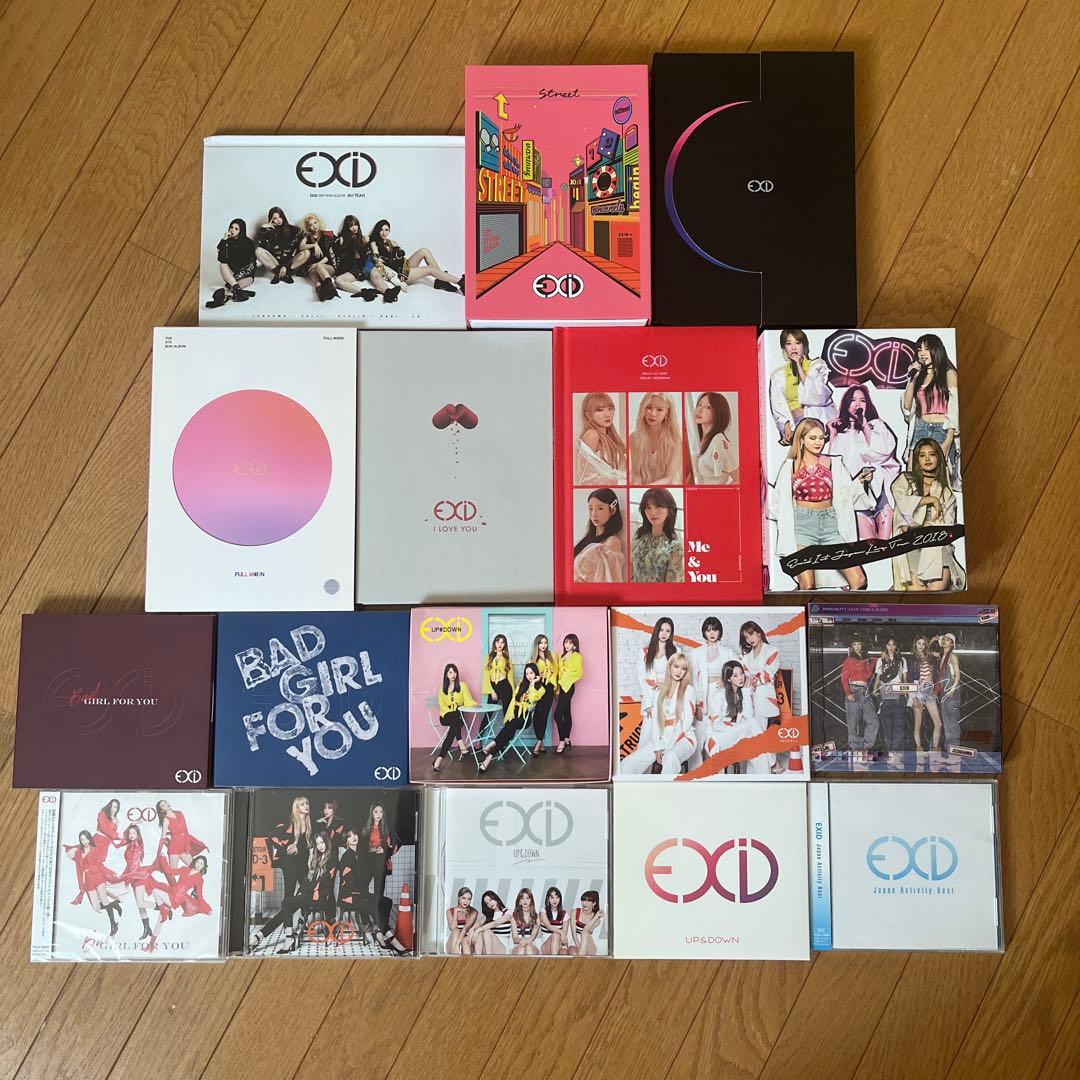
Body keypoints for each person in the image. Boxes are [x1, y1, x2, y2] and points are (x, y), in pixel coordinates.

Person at [768, 416, 867, 591]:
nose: (818, 442)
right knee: (807, 585)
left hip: (830, 525)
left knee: (858, 580)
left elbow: (846, 494)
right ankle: (797, 609)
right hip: (802, 527)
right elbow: (778, 502)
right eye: (812, 438)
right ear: (801, 440)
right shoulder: (790, 466)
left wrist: (861, 480)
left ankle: (847, 610)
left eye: (821, 438)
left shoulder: (833, 463)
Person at [891, 439, 966, 591]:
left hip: (936, 545)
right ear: (917, 460)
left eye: (931, 454)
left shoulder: (946, 491)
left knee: (936, 589)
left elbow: (947, 525)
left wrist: (927, 527)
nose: (927, 459)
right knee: (917, 592)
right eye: (922, 455)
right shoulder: (905, 480)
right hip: (910, 545)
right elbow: (903, 508)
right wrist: (930, 500)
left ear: (938, 457)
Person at [828, 385, 901, 540]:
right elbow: (835, 468)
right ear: (846, 404)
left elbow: (882, 451)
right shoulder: (841, 436)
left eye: (862, 400)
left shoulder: (876, 425)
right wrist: (833, 435)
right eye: (853, 400)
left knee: (886, 544)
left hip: (881, 495)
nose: (858, 404)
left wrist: (865, 425)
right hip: (857, 500)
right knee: (869, 546)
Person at [249, 831, 336, 955]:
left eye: (322, 842)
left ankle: (287, 938)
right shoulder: (317, 857)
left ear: (327, 842)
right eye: (317, 844)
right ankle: (259, 936)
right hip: (310, 895)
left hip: (321, 897)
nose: (320, 846)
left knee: (286, 903)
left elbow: (324, 881)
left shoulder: (332, 858)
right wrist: (301, 892)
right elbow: (309, 879)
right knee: (287, 906)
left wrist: (305, 892)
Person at [620, 652, 696, 774]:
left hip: (684, 738)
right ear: (669, 667)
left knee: (669, 757)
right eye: (676, 666)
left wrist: (667, 746)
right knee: (629, 763)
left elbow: (687, 722)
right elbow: (655, 722)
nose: (679, 671)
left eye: (683, 669)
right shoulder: (658, 691)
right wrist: (657, 747)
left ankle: (666, 787)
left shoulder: (689, 691)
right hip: (662, 737)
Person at [901, 333, 959, 483]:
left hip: (942, 430)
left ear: (936, 350)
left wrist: (948, 439)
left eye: (926, 348)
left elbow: (955, 410)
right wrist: (912, 379)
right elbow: (907, 408)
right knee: (914, 479)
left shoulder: (949, 374)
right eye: (919, 349)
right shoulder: (918, 377)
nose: (922, 353)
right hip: (920, 428)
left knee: (939, 482)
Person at [768, 328, 836, 444]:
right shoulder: (778, 376)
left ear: (804, 346)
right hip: (798, 427)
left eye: (798, 343)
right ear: (784, 349)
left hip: (821, 424)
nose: (793, 347)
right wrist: (786, 428)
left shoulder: (817, 366)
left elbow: (818, 395)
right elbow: (777, 406)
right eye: (789, 343)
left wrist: (799, 367)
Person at [701, 660, 768, 774]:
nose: (741, 678)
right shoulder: (720, 695)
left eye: (741, 673)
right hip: (720, 737)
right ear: (728, 679)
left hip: (736, 737)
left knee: (762, 755)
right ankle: (774, 762)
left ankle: (764, 781)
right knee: (753, 723)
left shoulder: (743, 692)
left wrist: (746, 691)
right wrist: (732, 727)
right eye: (735, 675)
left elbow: (748, 715)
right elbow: (716, 725)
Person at [368, 219, 464, 296]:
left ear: (389, 231)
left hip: (404, 267)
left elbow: (400, 257)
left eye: (386, 230)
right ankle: (460, 282)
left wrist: (397, 249)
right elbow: (377, 261)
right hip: (400, 274)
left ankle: (441, 280)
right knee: (431, 269)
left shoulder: (391, 242)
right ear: (377, 231)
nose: (384, 233)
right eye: (381, 230)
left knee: (424, 250)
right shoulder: (374, 243)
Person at [690, 617, 738, 769]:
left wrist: (727, 681)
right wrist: (697, 704)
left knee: (717, 733)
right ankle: (696, 772)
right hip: (702, 696)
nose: (711, 633)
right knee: (699, 736)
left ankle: (718, 772)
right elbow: (693, 680)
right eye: (708, 630)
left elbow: (739, 671)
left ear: (719, 631)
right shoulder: (696, 652)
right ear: (704, 632)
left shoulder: (727, 652)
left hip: (721, 695)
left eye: (715, 629)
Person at [479, 663, 545, 771]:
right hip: (514, 713)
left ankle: (493, 743)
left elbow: (533, 699)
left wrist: (533, 684)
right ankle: (489, 757)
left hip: (525, 717)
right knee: (509, 732)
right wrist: (511, 714)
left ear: (536, 673)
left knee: (511, 726)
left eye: (531, 673)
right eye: (527, 673)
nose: (529, 676)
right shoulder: (521, 685)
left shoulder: (541, 689)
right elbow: (513, 701)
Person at [740, 621, 786, 774]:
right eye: (746, 637)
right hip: (748, 698)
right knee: (752, 734)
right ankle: (772, 762)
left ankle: (765, 769)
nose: (750, 639)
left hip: (764, 698)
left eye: (751, 634)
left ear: (759, 633)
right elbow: (744, 676)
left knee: (758, 733)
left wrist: (753, 677)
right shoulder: (745, 656)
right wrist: (755, 676)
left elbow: (767, 675)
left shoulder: (772, 650)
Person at [65, 830, 122, 935]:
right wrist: (82, 887)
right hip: (88, 880)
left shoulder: (95, 849)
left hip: (97, 876)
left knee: (105, 901)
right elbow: (75, 864)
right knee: (96, 907)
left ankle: (113, 925)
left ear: (89, 838)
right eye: (82, 839)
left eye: (86, 839)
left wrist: (109, 873)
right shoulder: (78, 853)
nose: (85, 841)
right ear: (80, 841)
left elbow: (100, 864)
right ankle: (114, 904)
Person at [331, 214, 394, 301]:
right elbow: (342, 258)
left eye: (356, 225)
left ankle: (388, 293)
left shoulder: (364, 238)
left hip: (367, 264)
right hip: (355, 268)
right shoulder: (342, 239)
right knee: (338, 280)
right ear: (347, 228)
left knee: (377, 277)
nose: (354, 228)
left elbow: (367, 254)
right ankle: (365, 292)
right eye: (351, 226)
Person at [573, 488, 626, 582]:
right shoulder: (586, 540)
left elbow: (612, 580)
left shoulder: (611, 543)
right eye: (590, 509)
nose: (594, 514)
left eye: (600, 508)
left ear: (612, 510)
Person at [631, 487, 683, 583]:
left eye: (658, 507)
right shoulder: (639, 534)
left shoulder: (674, 546)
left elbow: (674, 585)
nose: (652, 513)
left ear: (669, 510)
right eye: (648, 508)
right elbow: (631, 569)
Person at [432, 663, 477, 772]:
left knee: (454, 727)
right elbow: (442, 706)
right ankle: (461, 743)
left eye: (455, 672)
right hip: (446, 716)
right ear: (446, 675)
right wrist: (451, 712)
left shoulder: (462, 685)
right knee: (455, 718)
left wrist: (474, 704)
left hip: (458, 716)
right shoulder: (442, 689)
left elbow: (468, 700)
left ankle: (438, 760)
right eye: (450, 672)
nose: (453, 675)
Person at [629, 392, 681, 485]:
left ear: (667, 414)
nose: (653, 414)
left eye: (659, 409)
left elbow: (668, 478)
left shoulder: (675, 440)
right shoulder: (634, 438)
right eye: (649, 407)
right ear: (643, 408)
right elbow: (637, 474)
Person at [270, 796, 311, 911]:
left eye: (307, 803)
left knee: (306, 890)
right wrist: (285, 849)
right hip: (289, 862)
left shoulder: (309, 824)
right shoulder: (289, 823)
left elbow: (309, 845)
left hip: (302, 862)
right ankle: (287, 921)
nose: (306, 806)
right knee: (289, 892)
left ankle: (303, 918)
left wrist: (298, 847)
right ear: (296, 808)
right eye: (302, 804)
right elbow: (272, 836)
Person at [575, 392, 626, 484]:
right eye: (600, 410)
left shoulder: (613, 439)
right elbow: (586, 478)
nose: (607, 414)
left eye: (610, 409)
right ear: (588, 415)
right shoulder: (592, 435)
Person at [205, 218, 256, 308]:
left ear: (241, 230)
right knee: (222, 264)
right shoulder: (226, 242)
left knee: (245, 282)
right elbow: (222, 259)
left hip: (245, 275)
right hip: (230, 274)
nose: (232, 230)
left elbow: (252, 264)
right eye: (231, 227)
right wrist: (224, 240)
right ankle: (239, 291)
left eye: (236, 229)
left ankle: (225, 298)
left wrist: (235, 279)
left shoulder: (248, 242)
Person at [870, 637, 910, 752]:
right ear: (885, 646)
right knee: (886, 725)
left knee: (899, 725)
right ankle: (889, 750)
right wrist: (875, 691)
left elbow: (904, 679)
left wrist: (906, 692)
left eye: (893, 644)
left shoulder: (902, 660)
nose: (891, 647)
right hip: (885, 694)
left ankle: (896, 750)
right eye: (888, 644)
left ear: (896, 646)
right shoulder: (880, 660)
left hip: (898, 694)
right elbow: (878, 678)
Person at [840, 638, 880, 750]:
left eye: (859, 644)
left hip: (865, 692)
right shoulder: (849, 660)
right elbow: (844, 678)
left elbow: (867, 676)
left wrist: (873, 661)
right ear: (852, 647)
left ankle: (866, 746)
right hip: (853, 690)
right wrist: (848, 693)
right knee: (853, 723)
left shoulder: (866, 659)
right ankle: (856, 747)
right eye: (855, 644)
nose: (857, 646)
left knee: (874, 721)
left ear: (862, 645)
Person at [691, 392, 738, 484]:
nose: (699, 410)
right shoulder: (698, 439)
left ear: (718, 413)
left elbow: (738, 479)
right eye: (699, 404)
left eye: (708, 407)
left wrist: (720, 492)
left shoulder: (718, 440)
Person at [294, 213, 339, 301]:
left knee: (318, 266)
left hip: (328, 267)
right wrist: (314, 245)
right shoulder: (307, 237)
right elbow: (301, 247)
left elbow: (328, 256)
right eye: (311, 225)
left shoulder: (325, 235)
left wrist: (317, 264)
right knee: (311, 271)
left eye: (315, 223)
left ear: (319, 222)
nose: (314, 226)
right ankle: (320, 289)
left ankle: (331, 288)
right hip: (314, 267)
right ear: (308, 227)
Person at [910, 635, 943, 752]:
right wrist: (913, 697)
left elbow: (936, 676)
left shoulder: (931, 658)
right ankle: (919, 748)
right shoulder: (913, 659)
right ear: (915, 644)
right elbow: (910, 679)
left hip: (929, 690)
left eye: (923, 644)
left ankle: (935, 748)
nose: (921, 646)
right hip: (918, 691)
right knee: (917, 724)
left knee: (938, 723)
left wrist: (935, 692)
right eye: (919, 643)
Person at [254, 206, 301, 283]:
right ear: (271, 220)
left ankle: (283, 273)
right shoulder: (269, 231)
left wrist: (285, 266)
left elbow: (295, 249)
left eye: (280, 217)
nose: (278, 220)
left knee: (306, 253)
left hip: (289, 262)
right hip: (275, 263)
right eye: (275, 218)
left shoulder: (293, 229)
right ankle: (282, 273)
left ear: (283, 217)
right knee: (258, 251)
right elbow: (263, 246)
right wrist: (264, 229)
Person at [552, 634, 583, 753]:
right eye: (566, 642)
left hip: (568, 687)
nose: (567, 645)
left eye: (570, 642)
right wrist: (557, 690)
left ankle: (561, 742)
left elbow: (579, 672)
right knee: (566, 712)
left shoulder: (577, 656)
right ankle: (567, 739)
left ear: (574, 645)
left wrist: (566, 673)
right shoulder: (562, 656)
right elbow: (558, 672)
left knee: (557, 714)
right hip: (561, 687)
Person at [529, 635, 558, 756]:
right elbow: (530, 675)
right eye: (541, 643)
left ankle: (539, 742)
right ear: (537, 644)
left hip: (549, 687)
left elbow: (556, 671)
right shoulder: (533, 659)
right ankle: (540, 742)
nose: (543, 645)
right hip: (539, 687)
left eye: (545, 642)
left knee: (544, 714)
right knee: (536, 715)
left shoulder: (552, 655)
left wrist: (553, 684)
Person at [156, 800, 206, 870]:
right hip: (174, 847)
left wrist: (187, 846)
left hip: (183, 846)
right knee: (172, 872)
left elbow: (185, 830)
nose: (166, 805)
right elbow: (163, 837)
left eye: (166, 802)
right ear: (162, 810)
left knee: (194, 868)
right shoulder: (166, 820)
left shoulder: (179, 813)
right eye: (163, 805)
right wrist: (158, 852)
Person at [936, 632, 962, 746]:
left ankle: (954, 746)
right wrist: (933, 640)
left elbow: (957, 675)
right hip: (944, 691)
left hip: (951, 690)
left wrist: (952, 689)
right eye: (943, 639)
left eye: (947, 640)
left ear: (952, 644)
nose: (944, 641)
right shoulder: (942, 656)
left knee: (951, 719)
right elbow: (928, 653)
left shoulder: (952, 656)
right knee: (946, 719)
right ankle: (949, 747)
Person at [481, 634, 514, 721]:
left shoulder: (507, 659)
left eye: (502, 642)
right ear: (494, 643)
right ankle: (481, 731)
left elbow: (510, 678)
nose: (500, 644)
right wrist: (492, 691)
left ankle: (507, 730)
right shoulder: (488, 658)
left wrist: (514, 693)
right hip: (493, 686)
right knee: (488, 714)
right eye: (498, 641)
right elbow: (486, 676)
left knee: (507, 714)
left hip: (505, 686)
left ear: (505, 644)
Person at [469, 891, 512, 955]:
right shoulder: (488, 914)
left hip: (502, 948)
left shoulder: (507, 912)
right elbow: (479, 923)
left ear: (495, 898)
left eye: (490, 900)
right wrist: (472, 929)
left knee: (485, 931)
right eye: (487, 903)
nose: (490, 904)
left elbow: (496, 923)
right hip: (488, 946)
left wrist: (478, 930)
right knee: (480, 933)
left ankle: (488, 958)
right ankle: (478, 957)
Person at [567, 891, 603, 956]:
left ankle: (581, 957)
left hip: (589, 946)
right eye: (583, 900)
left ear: (594, 903)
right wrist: (580, 948)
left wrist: (596, 917)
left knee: (584, 933)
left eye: (588, 901)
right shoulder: (574, 912)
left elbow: (585, 930)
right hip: (575, 943)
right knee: (574, 954)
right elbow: (574, 933)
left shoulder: (597, 920)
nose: (584, 903)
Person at [445, 887, 477, 955]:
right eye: (463, 898)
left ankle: (466, 961)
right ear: (458, 898)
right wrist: (455, 912)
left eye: (469, 899)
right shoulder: (449, 911)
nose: (466, 901)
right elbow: (452, 928)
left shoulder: (473, 912)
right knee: (456, 931)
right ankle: (454, 958)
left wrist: (458, 943)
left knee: (465, 941)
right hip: (453, 940)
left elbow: (465, 928)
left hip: (465, 940)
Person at [510, 888, 541, 955]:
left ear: (531, 900)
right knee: (522, 947)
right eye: (522, 898)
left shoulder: (536, 917)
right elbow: (515, 939)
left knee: (528, 947)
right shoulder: (514, 917)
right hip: (518, 944)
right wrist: (523, 940)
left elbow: (532, 936)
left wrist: (526, 940)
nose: (525, 901)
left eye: (527, 898)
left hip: (531, 944)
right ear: (519, 901)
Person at [539, 887, 569, 955]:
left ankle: (554, 958)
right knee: (556, 934)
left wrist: (562, 934)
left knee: (564, 954)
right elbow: (549, 927)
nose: (555, 900)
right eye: (552, 897)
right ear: (548, 899)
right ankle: (553, 959)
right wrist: (561, 932)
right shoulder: (543, 911)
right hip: (546, 944)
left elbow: (564, 935)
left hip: (560, 943)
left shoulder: (565, 914)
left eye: (557, 897)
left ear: (560, 899)